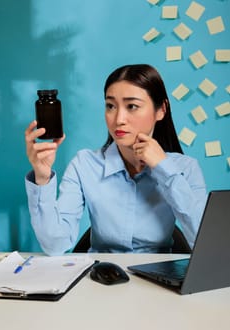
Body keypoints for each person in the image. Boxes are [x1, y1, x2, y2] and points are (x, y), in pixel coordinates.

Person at [25, 64, 207, 255]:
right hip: (100, 278)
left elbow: (204, 241)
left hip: (159, 279)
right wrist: (42, 178)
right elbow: (55, 246)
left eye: (132, 106)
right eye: (111, 106)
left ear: (161, 110)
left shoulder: (185, 168)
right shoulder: (84, 164)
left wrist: (163, 169)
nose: (119, 119)